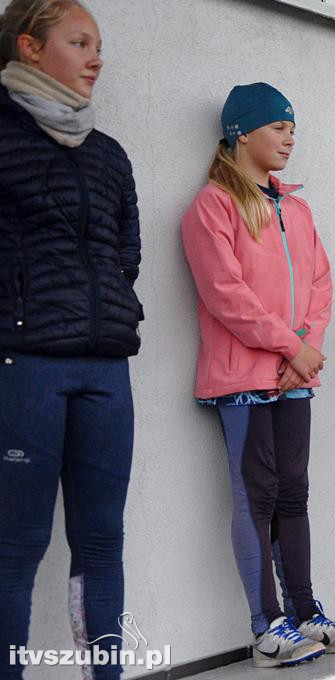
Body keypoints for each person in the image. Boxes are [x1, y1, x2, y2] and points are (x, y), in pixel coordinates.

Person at [181, 83, 335, 668]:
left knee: (294, 491)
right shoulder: (212, 206)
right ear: (242, 132)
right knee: (256, 495)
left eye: (293, 128)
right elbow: (224, 295)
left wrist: (304, 351)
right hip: (242, 376)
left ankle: (307, 611)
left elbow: (320, 284)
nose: (290, 137)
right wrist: (292, 346)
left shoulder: (298, 208)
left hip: (294, 375)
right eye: (278, 127)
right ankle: (267, 627)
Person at [0, 1, 144, 677]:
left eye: (99, 45)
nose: (96, 57)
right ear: (29, 47)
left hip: (105, 369)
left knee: (101, 540)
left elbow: (127, 255)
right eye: (79, 42)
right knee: (16, 545)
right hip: (24, 365)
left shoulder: (109, 155)